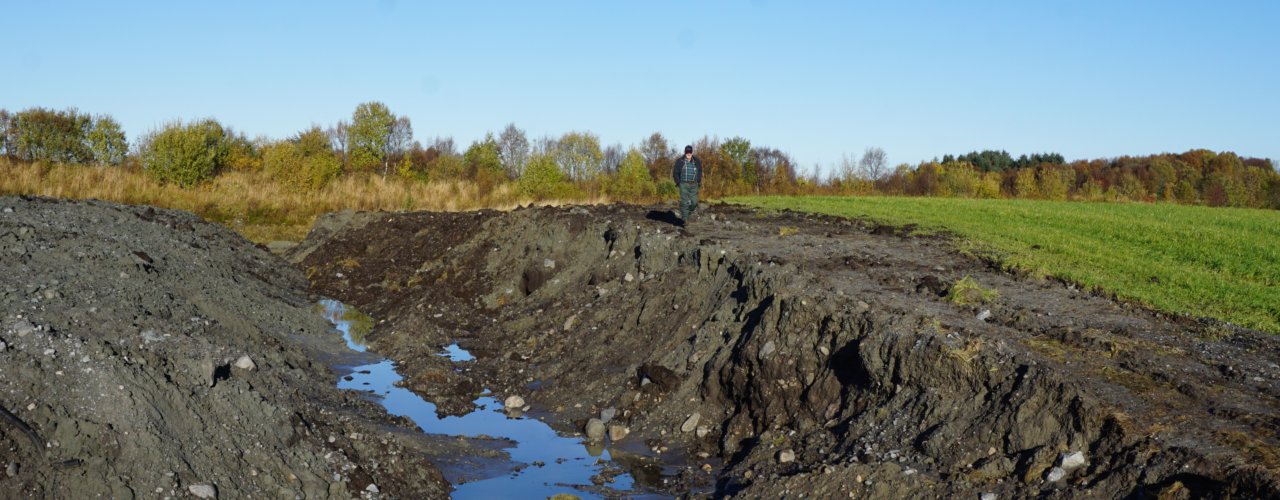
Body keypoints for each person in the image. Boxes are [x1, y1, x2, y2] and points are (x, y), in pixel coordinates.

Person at [672, 145, 702, 227]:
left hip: (694, 184)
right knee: (684, 203)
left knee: (694, 202)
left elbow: (699, 171)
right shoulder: (679, 161)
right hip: (683, 184)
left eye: (690, 152)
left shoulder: (696, 161)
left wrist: (698, 181)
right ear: (684, 152)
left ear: (692, 152)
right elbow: (675, 173)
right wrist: (678, 183)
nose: (688, 153)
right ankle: (685, 222)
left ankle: (688, 212)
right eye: (687, 152)